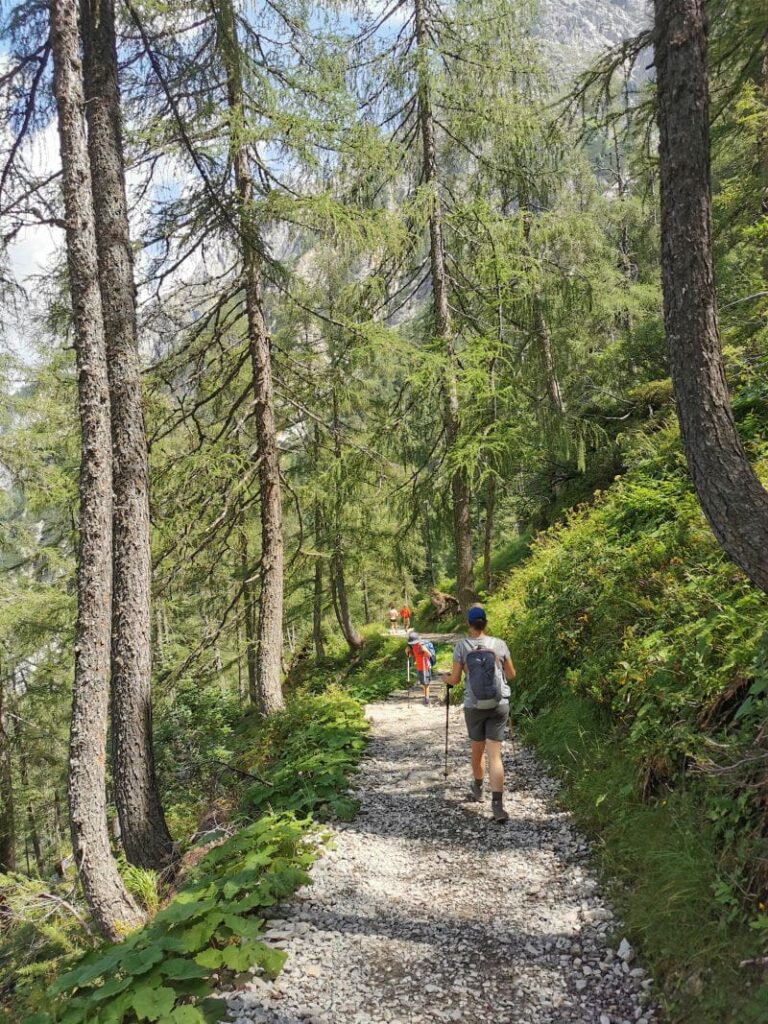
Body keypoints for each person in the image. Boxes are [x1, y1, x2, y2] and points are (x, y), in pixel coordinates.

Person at [446, 605, 516, 823]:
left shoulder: (462, 646)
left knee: (477, 751)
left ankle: (478, 787)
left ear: (469, 624)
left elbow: (455, 680)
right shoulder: (499, 644)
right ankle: (498, 806)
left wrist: (444, 679)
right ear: (485, 623)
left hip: (474, 706)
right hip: (499, 704)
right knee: (495, 756)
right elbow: (511, 675)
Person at [406, 631, 433, 706]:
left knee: (426, 683)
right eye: (412, 643)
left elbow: (429, 655)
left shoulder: (422, 645)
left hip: (426, 667)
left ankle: (427, 700)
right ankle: (425, 697)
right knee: (423, 683)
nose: (413, 644)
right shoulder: (412, 646)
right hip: (419, 667)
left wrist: (424, 650)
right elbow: (411, 655)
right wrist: (407, 652)